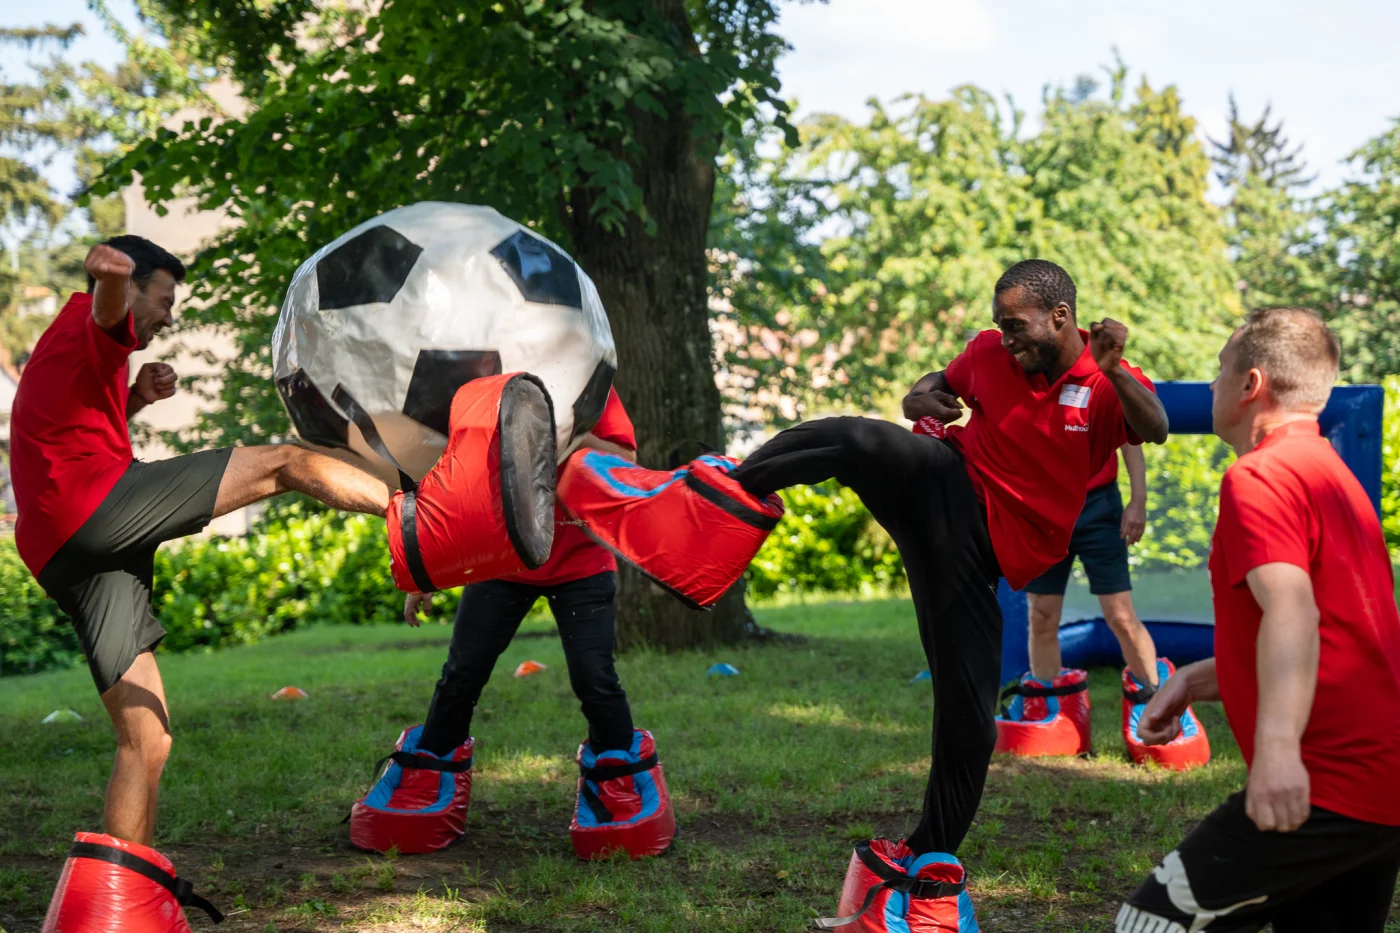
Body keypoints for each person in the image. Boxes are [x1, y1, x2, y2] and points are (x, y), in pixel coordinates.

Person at [728, 260, 1168, 885]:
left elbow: (1156, 427)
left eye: (1015, 325)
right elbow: (941, 379)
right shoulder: (988, 352)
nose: (1005, 338)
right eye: (1000, 325)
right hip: (949, 485)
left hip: (978, 556)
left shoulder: (1101, 382)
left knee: (970, 714)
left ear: (1059, 317)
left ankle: (928, 852)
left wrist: (1116, 369)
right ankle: (726, 492)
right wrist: (918, 394)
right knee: (859, 441)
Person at [9, 237, 392, 848]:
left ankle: (124, 887)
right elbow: (110, 307)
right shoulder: (97, 318)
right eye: (164, 301)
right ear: (133, 286)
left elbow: (76, 425)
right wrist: (111, 275)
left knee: (146, 738)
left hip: (59, 548)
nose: (168, 318)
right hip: (92, 506)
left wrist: (136, 399)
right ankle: (418, 515)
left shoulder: (74, 344)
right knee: (285, 463)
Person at [1118, 307, 1400, 933]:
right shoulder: (1334, 475)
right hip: (1382, 784)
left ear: (1251, 385)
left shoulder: (1260, 476)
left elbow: (1292, 610)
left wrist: (1276, 754)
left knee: (1147, 924)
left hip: (1328, 782)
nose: (1211, 385)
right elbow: (1335, 634)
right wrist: (1194, 680)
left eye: (1220, 371)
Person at [406, 387, 637, 759]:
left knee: (595, 679)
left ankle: (619, 772)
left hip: (582, 563)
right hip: (502, 561)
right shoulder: (487, 383)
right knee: (462, 675)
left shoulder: (589, 381)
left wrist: (569, 431)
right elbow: (451, 481)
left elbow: (626, 461)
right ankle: (432, 767)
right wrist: (425, 568)